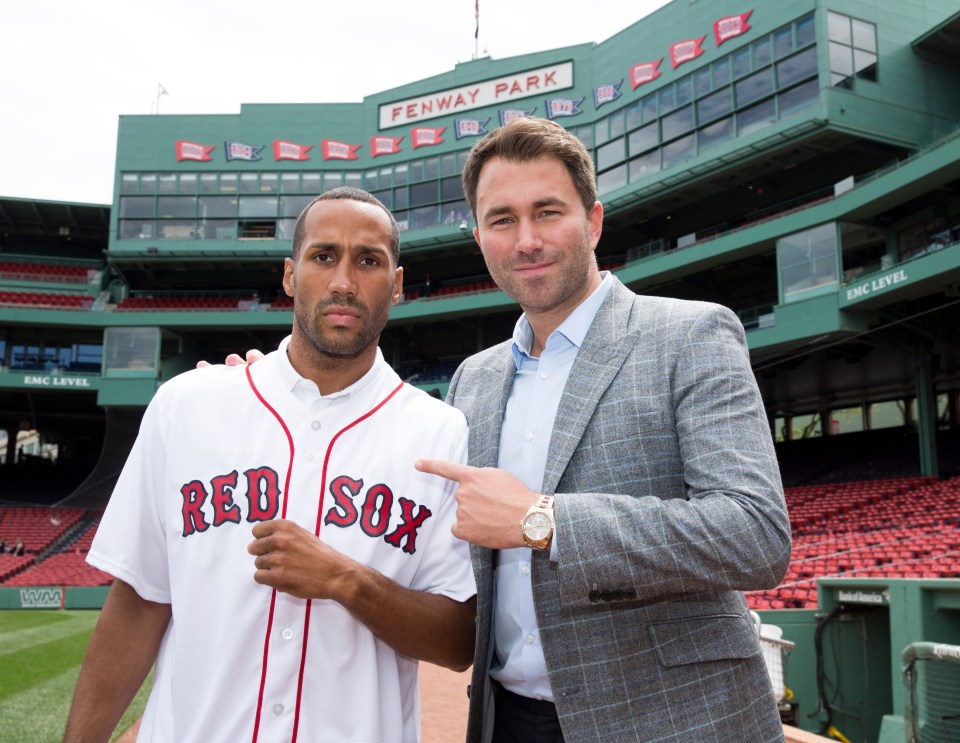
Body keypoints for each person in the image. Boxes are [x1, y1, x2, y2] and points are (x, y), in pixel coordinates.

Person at [412, 118, 792, 742]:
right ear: (479, 237)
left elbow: (755, 535)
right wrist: (279, 391)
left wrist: (545, 520)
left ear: (593, 221)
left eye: (548, 212)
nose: (527, 239)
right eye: (502, 219)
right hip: (506, 719)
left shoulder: (690, 335)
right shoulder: (470, 381)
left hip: (674, 721)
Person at [64, 188, 477, 743]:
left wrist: (347, 580)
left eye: (369, 260)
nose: (344, 282)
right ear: (289, 274)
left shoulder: (440, 432)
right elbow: (140, 600)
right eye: (324, 256)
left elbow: (457, 642)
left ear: (397, 285)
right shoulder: (187, 405)